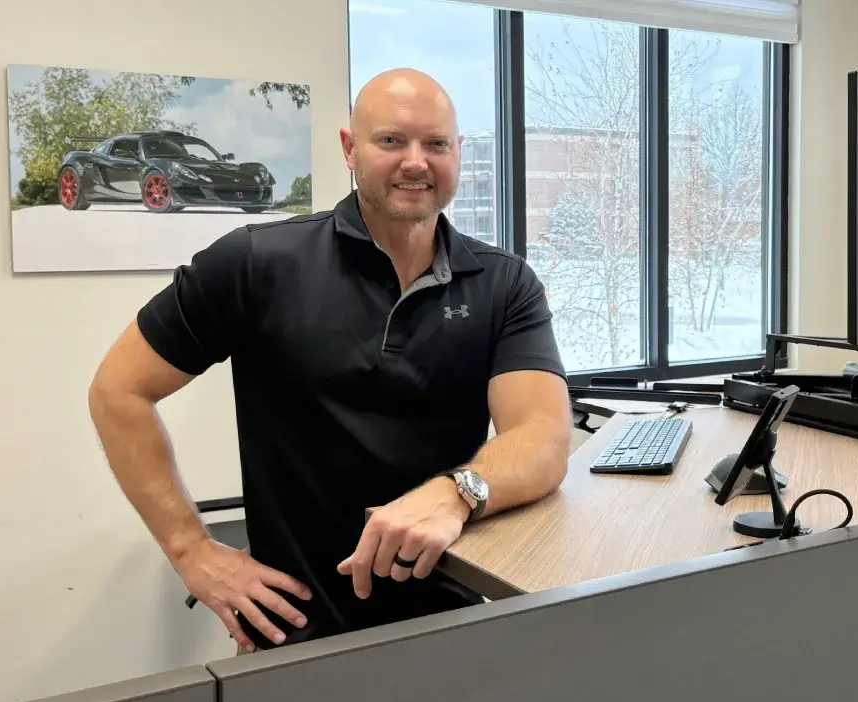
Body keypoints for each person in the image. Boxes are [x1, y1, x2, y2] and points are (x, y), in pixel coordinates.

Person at [88, 68, 573, 653]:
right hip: (298, 633)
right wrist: (192, 552)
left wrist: (456, 492)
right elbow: (118, 391)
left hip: (458, 619)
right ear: (350, 149)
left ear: (458, 153)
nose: (416, 162)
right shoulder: (256, 264)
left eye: (436, 144)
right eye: (391, 140)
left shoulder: (503, 283)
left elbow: (544, 433)